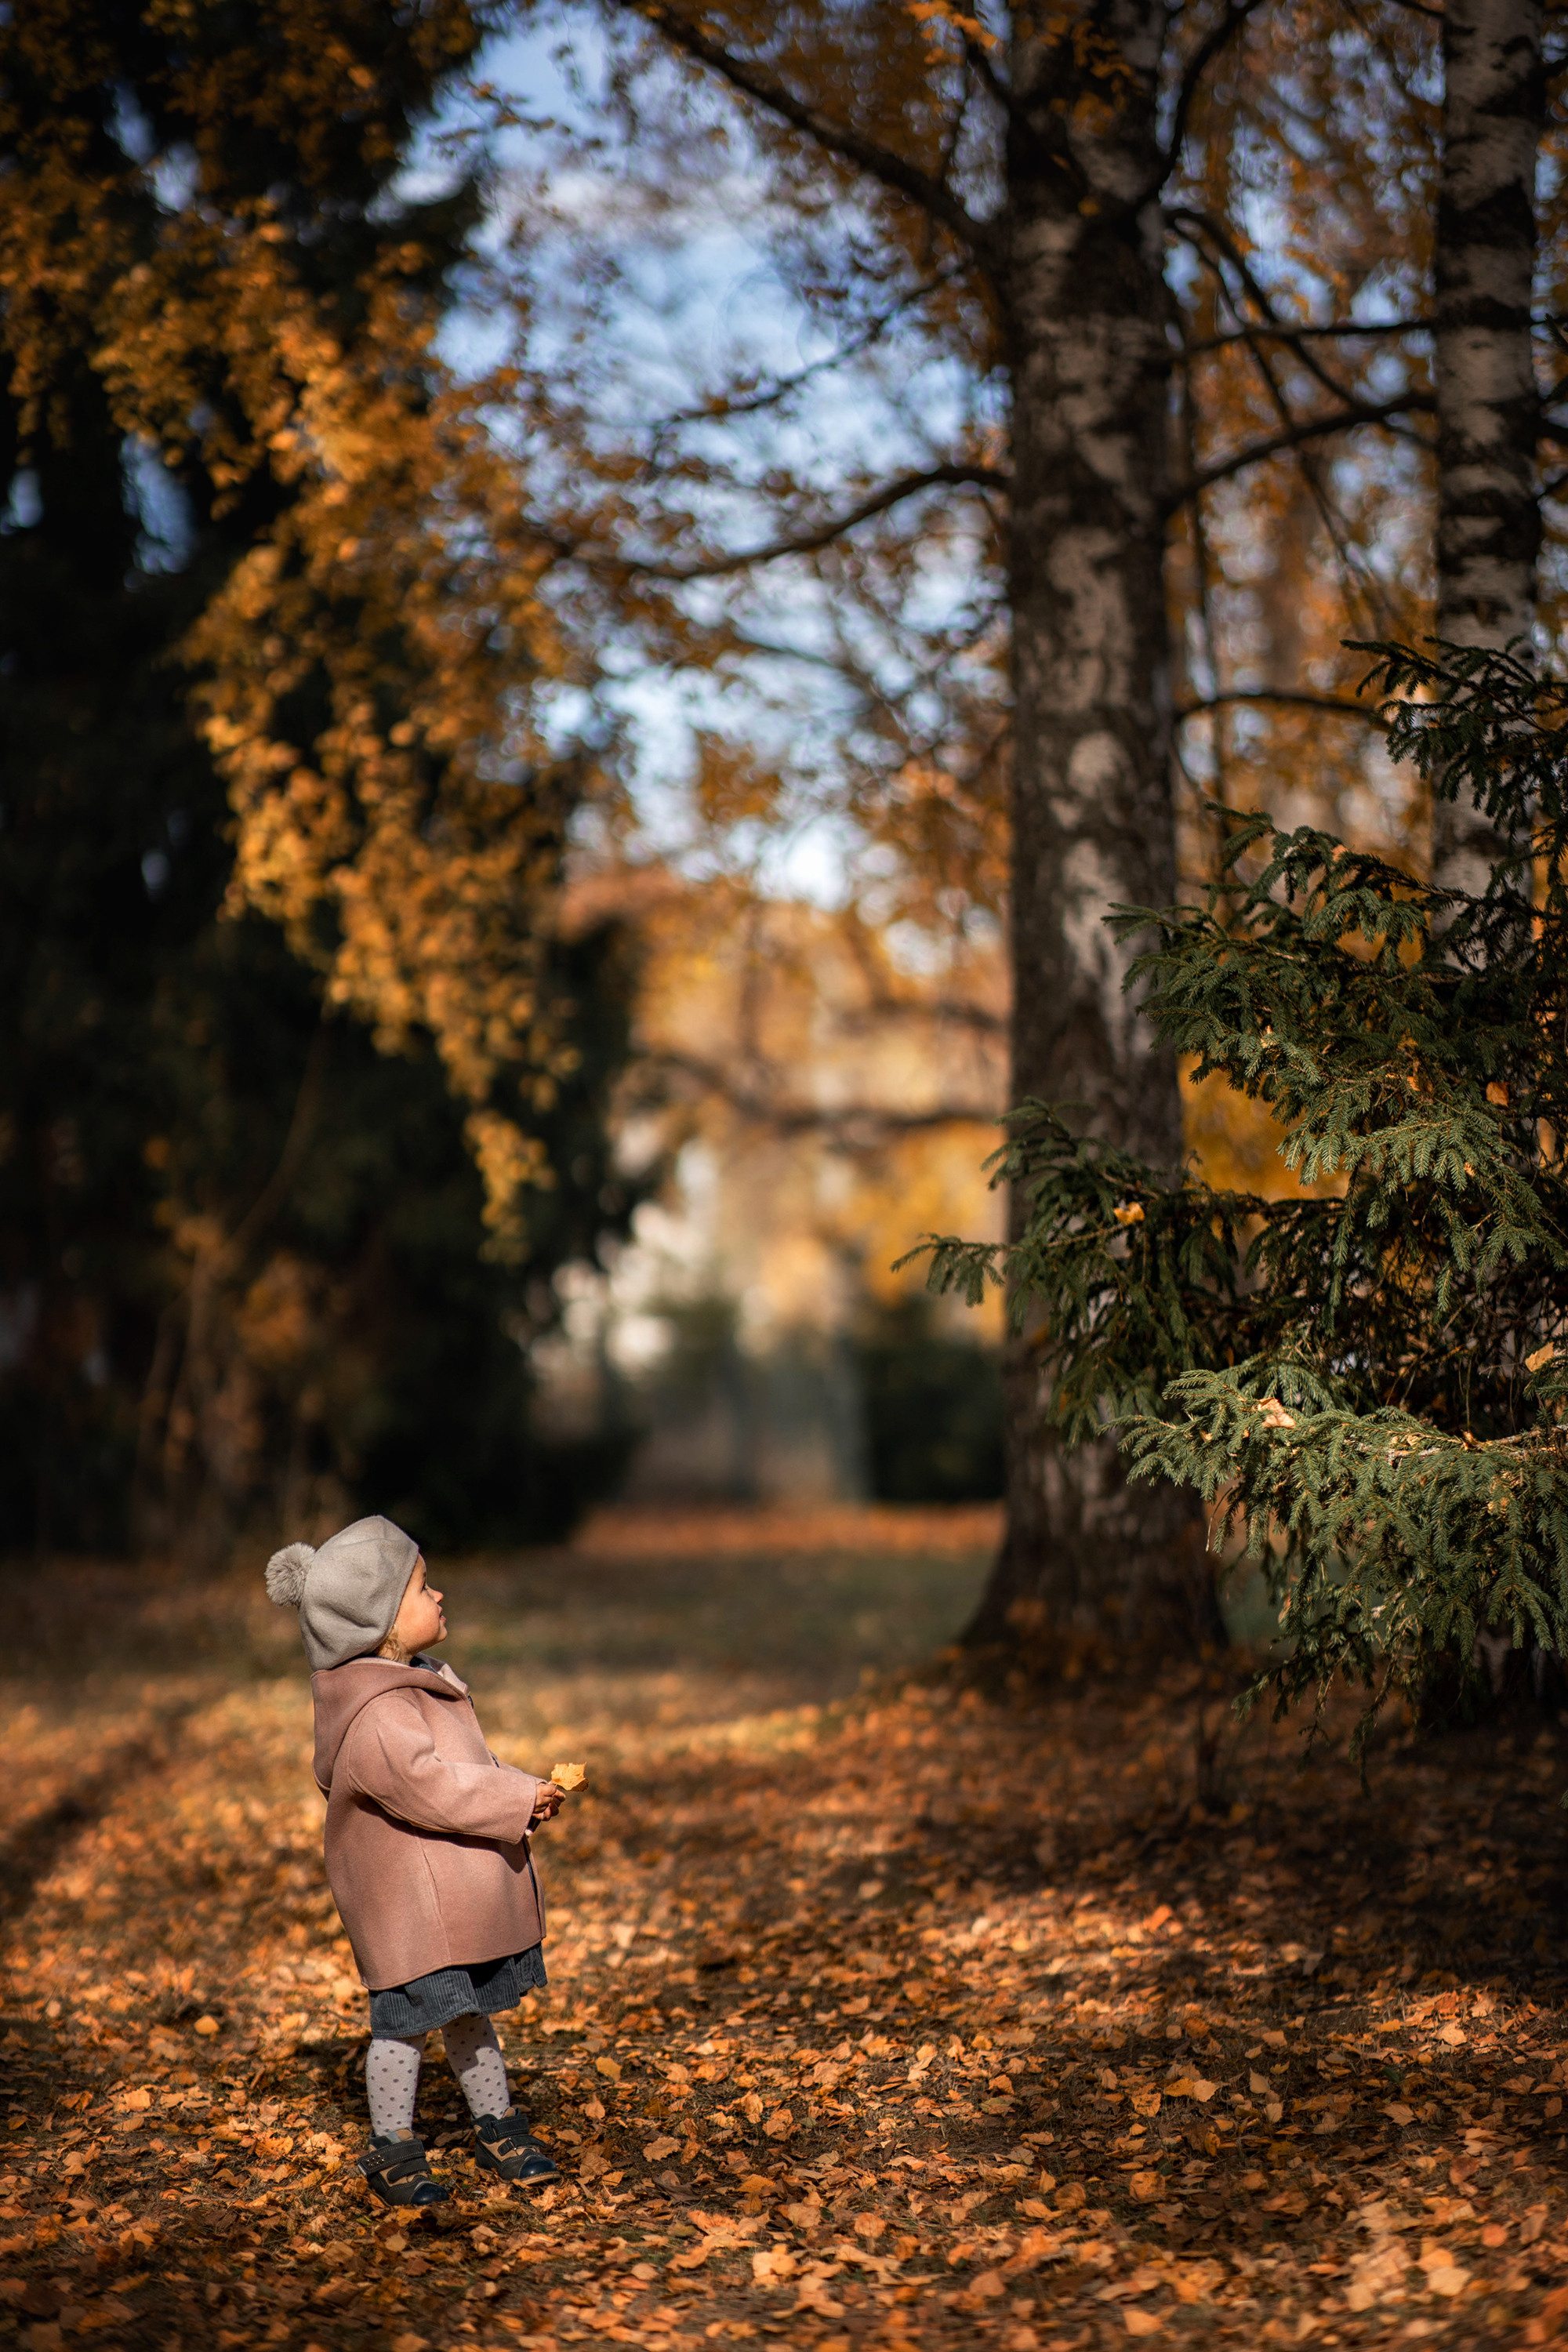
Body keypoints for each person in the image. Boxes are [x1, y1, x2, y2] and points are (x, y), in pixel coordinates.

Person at [266, 1515, 567, 2209]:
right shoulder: (375, 1714)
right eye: (422, 1587)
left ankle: (496, 2122)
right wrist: (512, 1797)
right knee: (402, 2025)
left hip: (444, 1905)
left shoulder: (416, 1681)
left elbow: (468, 1767)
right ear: (381, 1622)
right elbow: (431, 1786)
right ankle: (392, 2144)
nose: (439, 1597)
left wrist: (521, 1787)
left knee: (465, 2012)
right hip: (408, 1908)